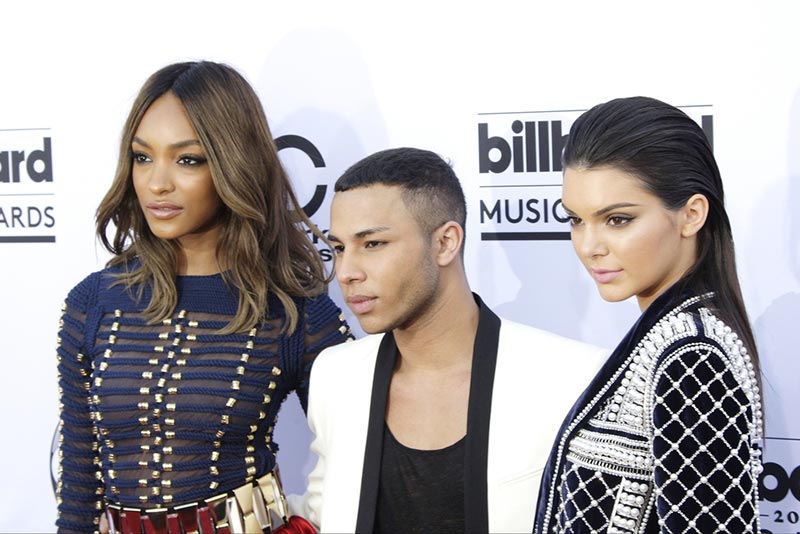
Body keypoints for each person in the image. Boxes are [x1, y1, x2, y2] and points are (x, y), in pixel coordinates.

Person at [54, 61, 350, 534]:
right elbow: (79, 485)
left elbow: (357, 459)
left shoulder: (294, 313)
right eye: (142, 156)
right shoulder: (93, 303)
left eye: (187, 159)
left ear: (234, 163)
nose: (157, 183)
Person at [286, 147, 608, 533]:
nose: (346, 271)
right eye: (339, 248)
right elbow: (325, 512)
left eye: (372, 244)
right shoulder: (337, 375)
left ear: (445, 243)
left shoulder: (571, 378)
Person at [533, 96, 764, 533]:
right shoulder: (668, 339)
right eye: (576, 220)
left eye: (617, 220)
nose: (589, 246)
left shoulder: (692, 356)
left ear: (691, 215)